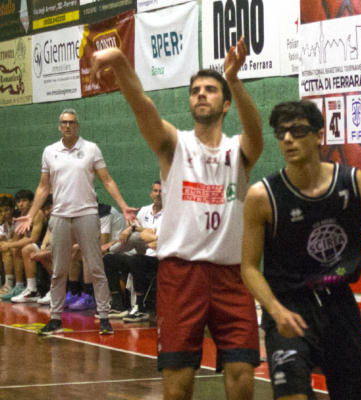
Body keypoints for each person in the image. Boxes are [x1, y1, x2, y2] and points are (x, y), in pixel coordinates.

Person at [91, 36, 263, 400]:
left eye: (211, 90)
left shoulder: (239, 150)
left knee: (243, 377)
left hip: (232, 275)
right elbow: (142, 104)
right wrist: (120, 60)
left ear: (226, 104)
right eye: (195, 90)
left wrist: (233, 78)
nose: (201, 94)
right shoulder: (174, 144)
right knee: (178, 384)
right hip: (181, 275)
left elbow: (256, 133)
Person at [241, 100, 361, 400]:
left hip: (338, 301)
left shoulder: (353, 182)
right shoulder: (262, 196)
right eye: (281, 133)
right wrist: (274, 310)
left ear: (319, 135)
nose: (288, 139)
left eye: (297, 130)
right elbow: (249, 267)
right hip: (289, 307)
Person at [15, 108, 137, 336]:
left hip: (87, 215)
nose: (68, 126)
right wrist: (31, 214)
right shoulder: (49, 151)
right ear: (59, 126)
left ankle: (104, 318)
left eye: (72, 122)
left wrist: (123, 206)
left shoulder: (91, 149)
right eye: (64, 122)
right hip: (60, 216)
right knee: (58, 270)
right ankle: (55, 318)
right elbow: (43, 186)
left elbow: (107, 180)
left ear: (77, 126)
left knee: (96, 267)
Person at [102, 181, 163, 321]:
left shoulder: (169, 214)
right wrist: (133, 230)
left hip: (156, 258)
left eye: (161, 191)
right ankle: (117, 305)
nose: (158, 194)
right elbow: (134, 236)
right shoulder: (144, 210)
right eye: (155, 191)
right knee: (109, 258)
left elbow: (156, 241)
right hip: (139, 252)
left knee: (137, 253)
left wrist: (137, 230)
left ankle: (140, 308)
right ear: (151, 193)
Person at [0, 189, 47, 301]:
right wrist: (7, 244)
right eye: (19, 201)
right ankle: (16, 286)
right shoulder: (23, 215)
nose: (20, 204)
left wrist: (9, 245)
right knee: (13, 248)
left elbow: (33, 239)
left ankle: (28, 288)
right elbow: (22, 237)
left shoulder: (37, 213)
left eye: (24, 201)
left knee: (21, 248)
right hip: (35, 244)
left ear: (32, 202)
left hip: (43, 244)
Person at [11, 195, 53, 303]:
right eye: (45, 209)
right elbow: (46, 237)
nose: (46, 212)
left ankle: (57, 290)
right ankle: (31, 290)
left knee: (39, 252)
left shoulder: (41, 215)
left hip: (65, 248)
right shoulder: (49, 219)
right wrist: (43, 248)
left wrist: (46, 251)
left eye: (24, 200)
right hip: (51, 247)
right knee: (27, 250)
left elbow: (33, 239)